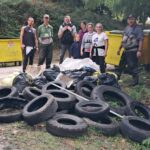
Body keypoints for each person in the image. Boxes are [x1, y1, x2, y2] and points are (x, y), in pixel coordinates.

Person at [117, 14, 144, 86]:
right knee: (120, 65)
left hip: (133, 50)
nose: (130, 20)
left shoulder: (138, 29)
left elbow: (141, 40)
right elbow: (123, 40)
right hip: (125, 50)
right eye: (129, 19)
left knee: (133, 66)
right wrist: (119, 49)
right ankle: (116, 78)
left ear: (134, 19)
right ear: (127, 20)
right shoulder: (126, 28)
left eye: (132, 19)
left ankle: (135, 82)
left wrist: (139, 51)